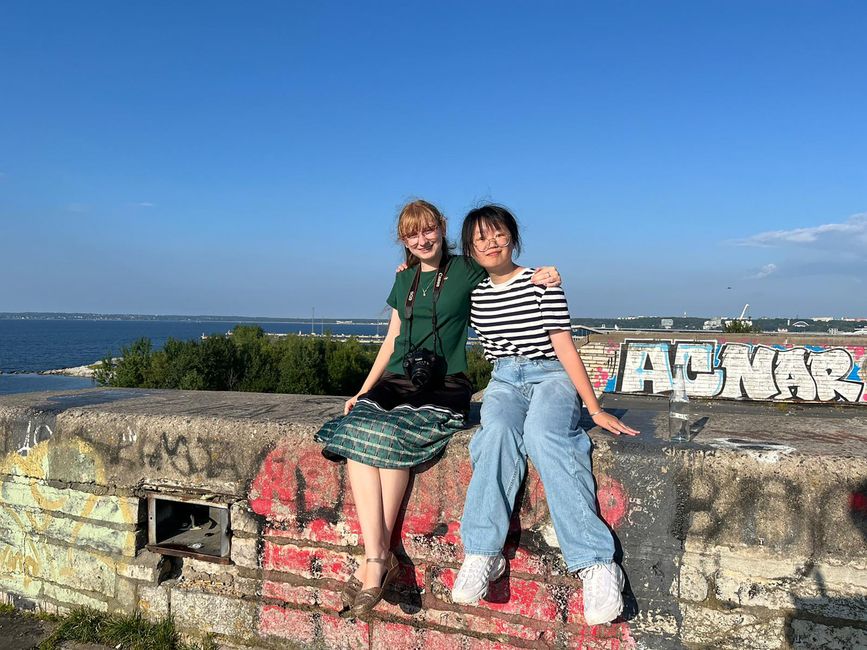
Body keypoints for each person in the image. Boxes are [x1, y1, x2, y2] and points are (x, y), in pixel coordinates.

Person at [314, 199, 560, 617]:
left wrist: (545, 274)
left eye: (428, 230)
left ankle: (373, 562)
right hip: (396, 382)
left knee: (391, 439)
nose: (422, 239)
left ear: (441, 228)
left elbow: (504, 266)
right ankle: (377, 554)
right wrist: (363, 388)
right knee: (358, 435)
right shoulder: (404, 278)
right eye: (412, 234)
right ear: (403, 239)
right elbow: (392, 339)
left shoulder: (466, 269)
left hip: (443, 387)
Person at [451, 204, 639, 626]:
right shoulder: (476, 293)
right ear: (470, 249)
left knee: (542, 434)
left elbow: (564, 345)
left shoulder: (542, 284)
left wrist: (593, 408)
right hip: (503, 380)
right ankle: (483, 553)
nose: (490, 243)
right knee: (496, 432)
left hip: (550, 375)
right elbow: (434, 283)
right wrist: (406, 269)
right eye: (480, 238)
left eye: (497, 234)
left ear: (512, 237)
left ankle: (596, 563)